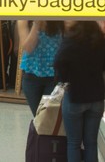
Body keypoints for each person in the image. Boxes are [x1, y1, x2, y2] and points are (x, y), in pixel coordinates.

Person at [54, 21, 105, 162]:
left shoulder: (70, 41)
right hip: (97, 98)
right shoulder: (100, 41)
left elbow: (58, 61)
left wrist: (64, 79)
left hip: (75, 96)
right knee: (91, 143)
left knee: (74, 143)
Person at [17, 21, 63, 116]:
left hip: (55, 76)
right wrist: (36, 24)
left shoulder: (59, 18)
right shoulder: (24, 19)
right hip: (32, 75)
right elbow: (28, 48)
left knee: (49, 117)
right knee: (39, 119)